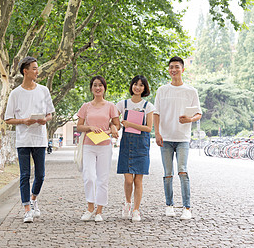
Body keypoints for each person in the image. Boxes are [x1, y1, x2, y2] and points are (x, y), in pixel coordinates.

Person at [4, 56, 55, 223]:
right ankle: (27, 209)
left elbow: (50, 114)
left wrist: (44, 120)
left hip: (40, 139)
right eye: (34, 68)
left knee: (40, 175)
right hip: (23, 140)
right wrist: (24, 121)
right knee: (24, 175)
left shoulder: (43, 91)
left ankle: (33, 199)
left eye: (37, 68)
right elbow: (8, 119)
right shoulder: (15, 94)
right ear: (25, 71)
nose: (37, 71)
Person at [153, 56, 202, 220]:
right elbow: (156, 113)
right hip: (165, 138)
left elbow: (198, 114)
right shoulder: (162, 90)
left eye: (176, 67)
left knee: (183, 171)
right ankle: (169, 205)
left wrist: (190, 119)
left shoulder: (191, 91)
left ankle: (187, 208)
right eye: (171, 67)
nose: (173, 70)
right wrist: (157, 133)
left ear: (182, 69)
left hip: (182, 138)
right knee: (168, 173)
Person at [76, 76, 120, 222]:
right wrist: (90, 127)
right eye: (95, 85)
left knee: (102, 179)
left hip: (104, 146)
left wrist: (112, 128)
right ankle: (90, 207)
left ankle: (99, 211)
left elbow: (117, 125)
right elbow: (79, 126)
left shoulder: (110, 106)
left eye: (100, 85)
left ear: (104, 88)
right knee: (89, 177)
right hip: (88, 144)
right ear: (91, 88)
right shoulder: (86, 106)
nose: (97, 88)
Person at [115, 75, 155, 222]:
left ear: (145, 88)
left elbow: (148, 128)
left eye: (141, 85)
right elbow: (113, 119)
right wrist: (116, 125)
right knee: (128, 180)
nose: (137, 87)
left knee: (138, 180)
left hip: (141, 146)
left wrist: (130, 124)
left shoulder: (148, 106)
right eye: (135, 84)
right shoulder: (122, 104)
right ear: (131, 86)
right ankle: (127, 203)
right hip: (126, 145)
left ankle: (136, 210)